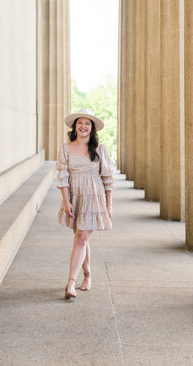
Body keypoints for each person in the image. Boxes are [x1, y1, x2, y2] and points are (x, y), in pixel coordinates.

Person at [56, 108, 115, 299]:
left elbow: (108, 179)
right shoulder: (66, 149)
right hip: (75, 197)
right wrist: (66, 201)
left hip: (94, 197)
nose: (83, 126)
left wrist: (109, 205)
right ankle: (88, 274)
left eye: (87, 123)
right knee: (82, 239)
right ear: (75, 127)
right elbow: (63, 176)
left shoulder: (100, 149)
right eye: (80, 123)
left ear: (92, 128)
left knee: (81, 238)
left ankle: (70, 283)